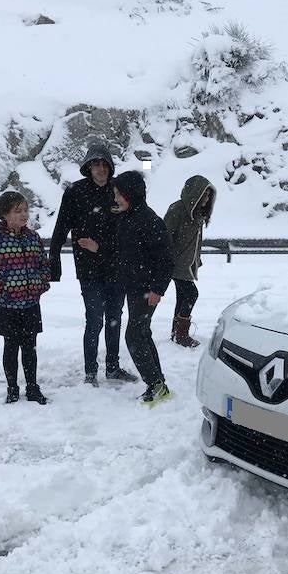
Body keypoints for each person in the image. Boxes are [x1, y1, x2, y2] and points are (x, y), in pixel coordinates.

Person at [49, 142, 137, 388]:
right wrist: (53, 259)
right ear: (88, 167)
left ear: (110, 166)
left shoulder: (118, 191)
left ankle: (112, 367)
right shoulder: (75, 191)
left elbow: (128, 230)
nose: (100, 169)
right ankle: (90, 372)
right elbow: (61, 228)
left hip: (116, 267)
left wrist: (106, 248)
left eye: (103, 164)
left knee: (115, 318)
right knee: (95, 319)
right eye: (95, 164)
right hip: (88, 269)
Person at [0, 191, 50, 404]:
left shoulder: (33, 237)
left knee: (30, 348)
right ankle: (12, 388)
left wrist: (42, 283)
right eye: (18, 211)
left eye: (25, 209)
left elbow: (44, 265)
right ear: (5, 214)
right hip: (7, 305)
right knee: (11, 347)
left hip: (31, 303)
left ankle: (33, 388)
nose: (24, 214)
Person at [113, 171, 175, 404]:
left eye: (119, 194)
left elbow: (166, 259)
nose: (116, 199)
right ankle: (158, 383)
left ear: (131, 194)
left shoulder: (150, 221)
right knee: (142, 333)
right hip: (134, 287)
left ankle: (156, 385)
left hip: (147, 289)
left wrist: (158, 289)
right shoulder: (128, 216)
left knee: (134, 336)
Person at [164, 176, 216, 347]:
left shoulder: (198, 213)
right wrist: (167, 259)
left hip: (187, 263)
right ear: (195, 193)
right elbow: (165, 236)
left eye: (209, 196)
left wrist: (196, 260)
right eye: (204, 195)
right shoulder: (178, 209)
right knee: (191, 294)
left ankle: (176, 332)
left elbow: (194, 241)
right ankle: (181, 335)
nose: (206, 199)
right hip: (177, 263)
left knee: (182, 297)